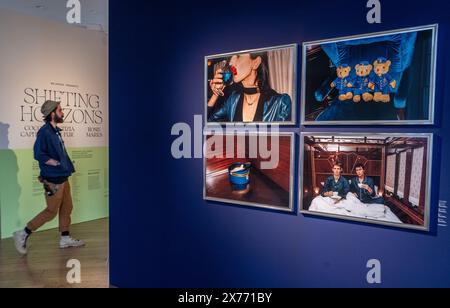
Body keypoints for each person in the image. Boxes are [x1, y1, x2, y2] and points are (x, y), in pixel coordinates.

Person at [13, 100, 84, 255]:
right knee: (51, 211)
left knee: (67, 206)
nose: (62, 112)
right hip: (54, 179)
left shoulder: (55, 131)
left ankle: (65, 238)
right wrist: (53, 162)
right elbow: (38, 153)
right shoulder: (44, 132)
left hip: (63, 176)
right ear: (52, 113)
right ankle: (23, 233)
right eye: (60, 110)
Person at [208, 52, 291, 123]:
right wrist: (215, 95)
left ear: (256, 63)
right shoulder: (232, 100)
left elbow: (284, 139)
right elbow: (203, 124)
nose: (230, 63)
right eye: (231, 58)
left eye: (238, 56)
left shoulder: (281, 103)